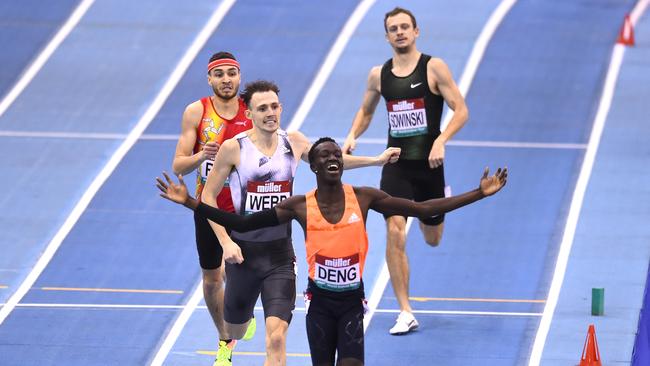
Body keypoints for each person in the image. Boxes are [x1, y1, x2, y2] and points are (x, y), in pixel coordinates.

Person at [156, 137, 508, 366]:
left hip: (352, 303)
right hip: (320, 306)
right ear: (314, 166)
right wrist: (190, 201)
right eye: (325, 155)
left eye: (337, 154)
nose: (333, 158)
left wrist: (478, 193)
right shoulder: (299, 206)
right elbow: (245, 224)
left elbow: (423, 207)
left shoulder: (366, 197)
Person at [197, 80, 400, 365]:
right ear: (249, 113)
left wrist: (376, 161)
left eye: (274, 106)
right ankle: (238, 326)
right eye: (262, 108)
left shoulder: (292, 142)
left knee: (277, 337)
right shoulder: (234, 148)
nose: (270, 113)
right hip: (242, 256)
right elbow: (208, 195)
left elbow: (332, 160)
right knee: (236, 330)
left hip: (280, 256)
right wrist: (225, 241)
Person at [341, 6, 470, 335]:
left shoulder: (433, 68)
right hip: (396, 166)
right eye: (393, 28)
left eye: (404, 27)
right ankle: (405, 310)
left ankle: (440, 204)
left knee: (433, 239)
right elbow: (365, 111)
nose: (399, 32)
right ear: (387, 36)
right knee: (395, 231)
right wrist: (353, 134)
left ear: (416, 32)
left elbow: (461, 110)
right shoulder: (378, 75)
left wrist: (440, 140)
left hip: (429, 167)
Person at [171, 51, 253, 365]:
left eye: (231, 73)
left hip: (247, 208)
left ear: (239, 77)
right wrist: (201, 156)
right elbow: (178, 164)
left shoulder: (252, 108)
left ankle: (240, 313)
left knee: (244, 274)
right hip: (208, 206)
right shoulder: (196, 112)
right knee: (211, 278)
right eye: (219, 74)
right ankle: (224, 340)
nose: (226, 79)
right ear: (209, 79)